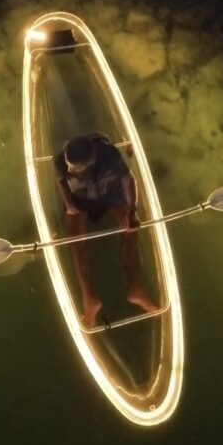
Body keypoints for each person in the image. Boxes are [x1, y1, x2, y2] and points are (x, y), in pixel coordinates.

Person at [54, 133, 157, 327]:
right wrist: (68, 204)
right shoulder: (62, 160)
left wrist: (132, 212)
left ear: (91, 162)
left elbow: (128, 179)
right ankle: (89, 299)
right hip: (81, 199)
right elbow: (61, 180)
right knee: (77, 244)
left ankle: (136, 288)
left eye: (75, 168)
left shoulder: (109, 155)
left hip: (110, 194)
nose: (70, 169)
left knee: (131, 231)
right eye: (69, 165)